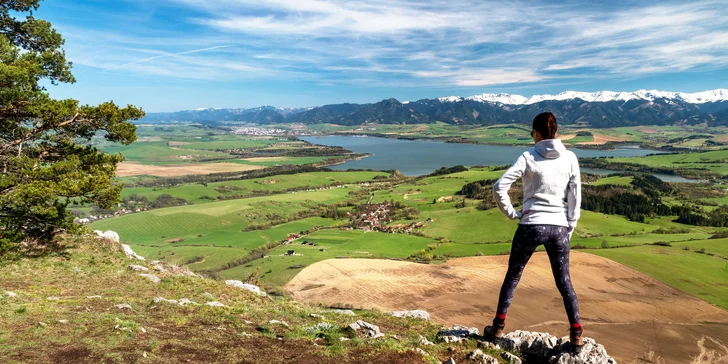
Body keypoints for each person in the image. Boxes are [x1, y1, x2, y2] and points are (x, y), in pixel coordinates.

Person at [485, 111, 583, 352]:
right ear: (556, 132)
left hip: (531, 225)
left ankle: (497, 329)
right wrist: (569, 226)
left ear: (537, 133)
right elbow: (575, 197)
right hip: (558, 226)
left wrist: (514, 213)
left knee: (513, 277)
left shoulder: (528, 156)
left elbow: (499, 187)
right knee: (564, 282)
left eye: (532, 133)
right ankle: (577, 335)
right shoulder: (570, 158)